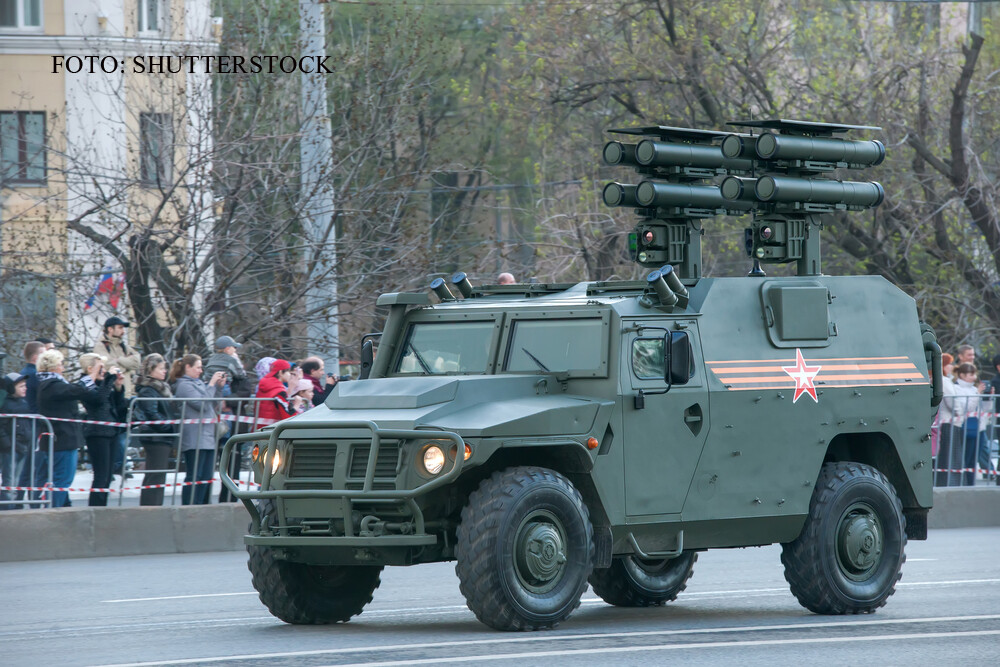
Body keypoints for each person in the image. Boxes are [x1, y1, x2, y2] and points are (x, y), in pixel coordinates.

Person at [35, 350, 103, 508]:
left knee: (60, 479)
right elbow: (76, 390)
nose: (63, 367)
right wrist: (92, 373)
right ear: (53, 367)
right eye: (60, 364)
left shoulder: (48, 384)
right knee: (62, 479)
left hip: (59, 440)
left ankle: (64, 510)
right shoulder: (51, 385)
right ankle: (55, 513)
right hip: (62, 440)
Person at [172, 355, 225, 505]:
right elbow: (202, 406)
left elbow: (214, 405)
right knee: (195, 475)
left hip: (208, 436)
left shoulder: (199, 383)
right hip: (195, 437)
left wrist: (218, 388)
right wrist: (212, 384)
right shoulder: (184, 385)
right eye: (198, 367)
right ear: (187, 367)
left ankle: (201, 505)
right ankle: (189, 506)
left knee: (207, 476)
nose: (201, 371)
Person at [75, 354, 126, 506]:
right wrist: (109, 378)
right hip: (97, 434)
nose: (103, 371)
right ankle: (95, 510)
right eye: (100, 367)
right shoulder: (85, 384)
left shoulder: (103, 384)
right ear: (90, 368)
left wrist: (118, 388)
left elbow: (119, 407)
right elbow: (98, 400)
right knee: (101, 476)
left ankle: (102, 508)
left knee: (108, 476)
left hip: (111, 432)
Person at [94, 317, 141, 480]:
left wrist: (119, 361)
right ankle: (117, 465)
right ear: (109, 329)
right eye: (119, 327)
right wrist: (122, 366)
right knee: (116, 434)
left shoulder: (123, 346)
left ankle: (118, 464)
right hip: (111, 395)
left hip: (125, 394)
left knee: (123, 433)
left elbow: (137, 361)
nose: (122, 330)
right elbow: (106, 366)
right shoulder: (101, 346)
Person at [133, 354, 176, 506]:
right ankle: (150, 508)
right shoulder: (148, 390)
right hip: (156, 437)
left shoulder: (159, 388)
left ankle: (155, 506)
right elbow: (152, 414)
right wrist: (168, 426)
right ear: (151, 370)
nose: (164, 371)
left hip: (161, 436)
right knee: (155, 476)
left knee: (158, 475)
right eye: (161, 368)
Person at [18, 341, 45, 503]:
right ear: (36, 357)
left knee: (27, 469)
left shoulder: (26, 373)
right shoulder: (35, 375)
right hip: (35, 426)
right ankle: (32, 502)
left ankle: (17, 503)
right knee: (33, 469)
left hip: (28, 426)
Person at [0, 372, 32, 510]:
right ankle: (7, 508)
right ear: (11, 388)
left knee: (16, 480)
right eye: (21, 386)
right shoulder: (6, 405)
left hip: (22, 446)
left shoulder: (24, 402)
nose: (25, 388)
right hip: (11, 448)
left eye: (25, 386)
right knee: (10, 481)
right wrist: (8, 444)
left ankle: (12, 506)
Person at [953, 363, 985, 486]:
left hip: (978, 428)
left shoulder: (974, 389)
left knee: (973, 460)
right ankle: (963, 484)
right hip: (964, 428)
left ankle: (970, 484)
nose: (974, 377)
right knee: (965, 459)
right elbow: (966, 407)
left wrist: (986, 396)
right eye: (971, 374)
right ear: (962, 375)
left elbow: (984, 410)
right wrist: (978, 394)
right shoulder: (956, 389)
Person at [254, 359, 298, 428]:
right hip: (271, 432)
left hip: (259, 429)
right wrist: (297, 405)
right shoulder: (279, 391)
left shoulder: (264, 384)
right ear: (280, 373)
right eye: (288, 372)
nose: (290, 375)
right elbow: (288, 416)